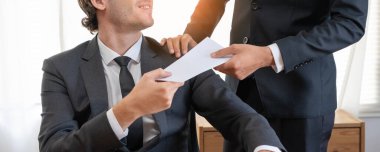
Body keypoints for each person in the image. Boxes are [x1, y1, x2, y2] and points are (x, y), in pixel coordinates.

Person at [38, 0, 286, 151]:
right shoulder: (60, 69)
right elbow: (53, 148)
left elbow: (240, 117)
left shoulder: (179, 58)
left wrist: (265, 148)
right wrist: (127, 111)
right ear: (100, 1)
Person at [161, 0, 368, 151]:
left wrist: (269, 55)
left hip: (299, 99)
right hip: (240, 96)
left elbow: (350, 23)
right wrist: (189, 46)